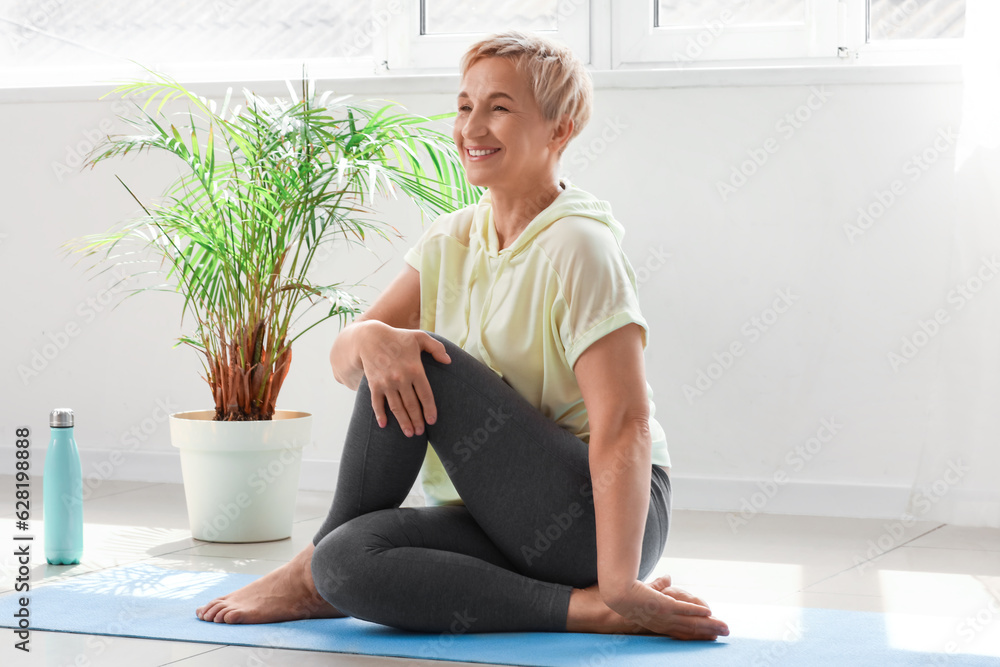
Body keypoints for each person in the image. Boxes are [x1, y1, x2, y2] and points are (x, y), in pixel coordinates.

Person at [195, 29, 729, 641]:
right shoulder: (449, 239)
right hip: (495, 516)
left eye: (499, 108)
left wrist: (620, 582)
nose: (472, 127)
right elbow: (350, 366)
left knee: (430, 362)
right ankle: (578, 610)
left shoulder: (579, 246)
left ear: (560, 129)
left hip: (596, 521)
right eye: (465, 105)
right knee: (347, 559)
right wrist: (368, 337)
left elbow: (624, 423)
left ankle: (303, 576)